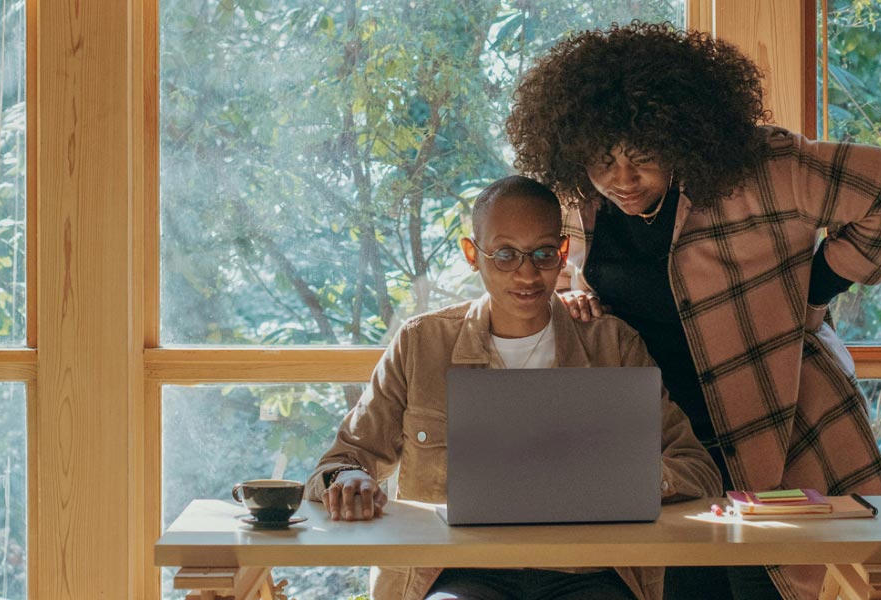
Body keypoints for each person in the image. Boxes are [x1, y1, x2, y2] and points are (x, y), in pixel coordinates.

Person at [504, 23, 881, 600]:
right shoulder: (584, 203)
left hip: (776, 422)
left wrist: (818, 287)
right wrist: (572, 294)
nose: (622, 182)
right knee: (675, 586)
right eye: (602, 162)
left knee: (779, 585)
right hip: (666, 446)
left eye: (644, 160)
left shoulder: (761, 169)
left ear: (681, 138)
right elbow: (581, 270)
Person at [306, 175, 724, 600]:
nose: (527, 273)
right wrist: (349, 477)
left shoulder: (611, 344)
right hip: (459, 572)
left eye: (543, 254)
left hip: (588, 571)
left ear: (563, 253)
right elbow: (340, 462)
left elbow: (697, 470)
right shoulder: (421, 345)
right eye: (505, 254)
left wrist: (623, 482)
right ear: (473, 254)